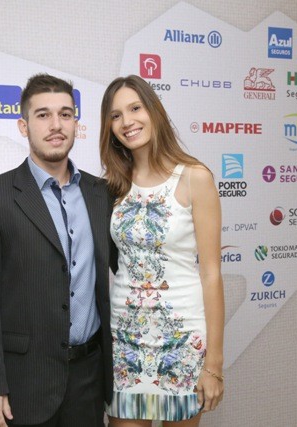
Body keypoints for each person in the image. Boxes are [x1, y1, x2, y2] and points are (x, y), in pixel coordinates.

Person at [0, 73, 114, 427]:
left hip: (90, 379)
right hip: (24, 383)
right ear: (23, 125)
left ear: (75, 123)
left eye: (65, 114)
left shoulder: (100, 194)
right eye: (43, 115)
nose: (56, 125)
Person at [99, 75, 225, 427]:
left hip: (181, 340)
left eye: (135, 108)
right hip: (125, 342)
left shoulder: (194, 177)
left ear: (154, 111)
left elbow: (211, 274)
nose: (127, 121)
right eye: (115, 116)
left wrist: (214, 364)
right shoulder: (111, 185)